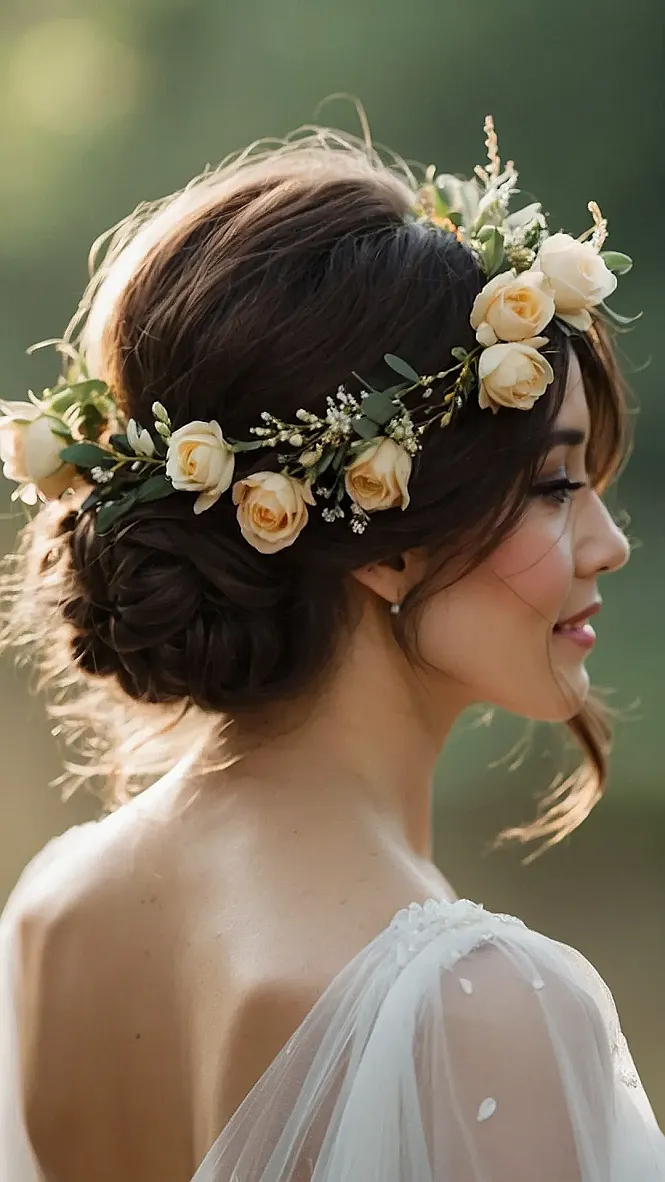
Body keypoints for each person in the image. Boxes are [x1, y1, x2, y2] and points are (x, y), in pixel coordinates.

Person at [0, 118, 664, 1181]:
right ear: (379, 535)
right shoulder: (476, 1008)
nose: (608, 543)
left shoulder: (55, 907)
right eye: (550, 486)